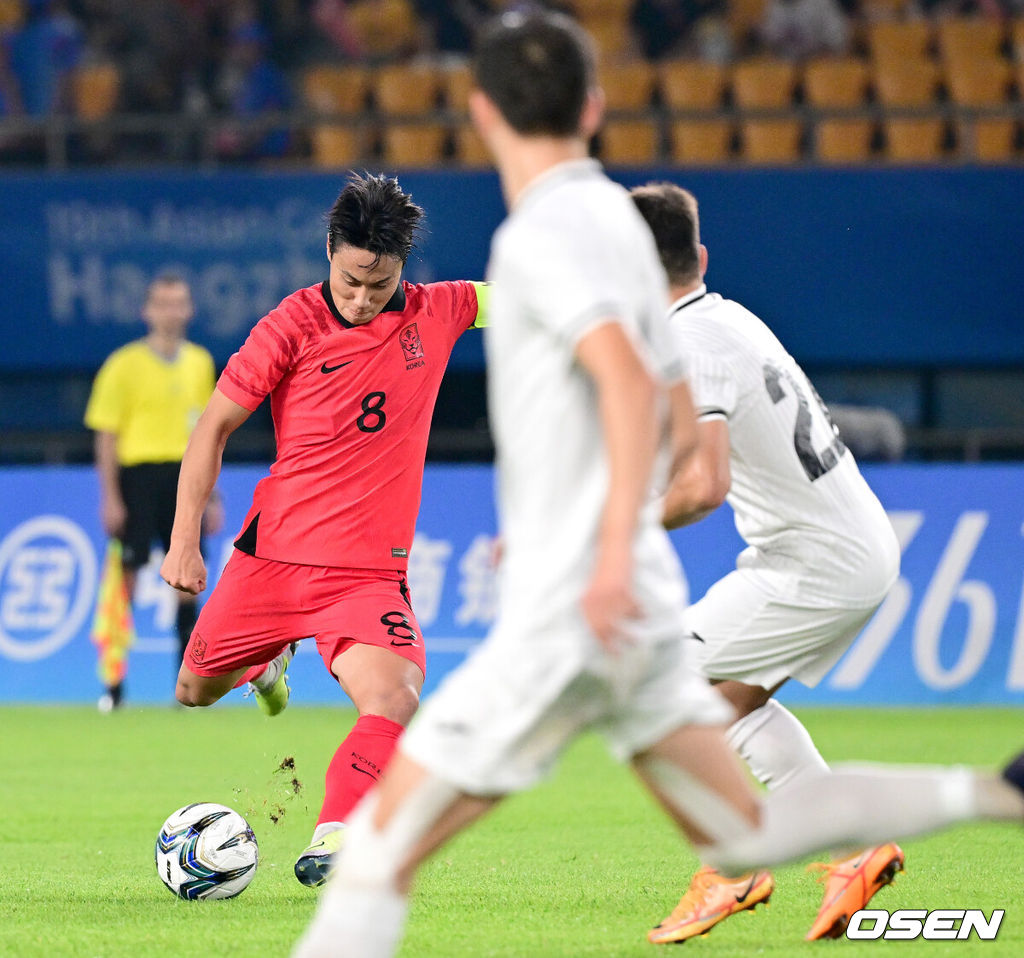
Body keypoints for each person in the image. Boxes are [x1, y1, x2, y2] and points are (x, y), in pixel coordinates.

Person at [293, 11, 1024, 957]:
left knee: (380, 853)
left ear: (479, 112)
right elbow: (664, 394)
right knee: (741, 814)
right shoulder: (612, 218)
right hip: (639, 602)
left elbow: (645, 393)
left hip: (577, 611)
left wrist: (596, 545)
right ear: (593, 106)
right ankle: (992, 793)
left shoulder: (548, 234)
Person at [159, 172, 488, 888]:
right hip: (272, 558)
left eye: (380, 284)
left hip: (366, 573)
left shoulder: (443, 310)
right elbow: (212, 427)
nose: (364, 297)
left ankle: (335, 836)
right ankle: (269, 661)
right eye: (350, 281)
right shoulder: (290, 325)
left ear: (404, 267)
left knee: (396, 697)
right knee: (192, 688)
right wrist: (186, 540)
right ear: (329, 248)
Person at [629, 181, 906, 941]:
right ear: (701, 257)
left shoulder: (688, 344)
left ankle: (732, 865)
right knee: (727, 709)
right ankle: (854, 849)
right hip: (845, 546)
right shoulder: (727, 317)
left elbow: (704, 485)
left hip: (813, 561)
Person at [84, 272, 219, 711]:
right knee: (126, 577)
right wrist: (110, 495)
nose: (170, 311)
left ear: (189, 309)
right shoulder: (122, 364)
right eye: (162, 303)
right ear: (147, 310)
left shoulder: (200, 362)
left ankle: (186, 687)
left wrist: (210, 496)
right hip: (137, 477)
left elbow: (209, 433)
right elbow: (106, 434)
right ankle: (114, 684)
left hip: (184, 477)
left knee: (186, 578)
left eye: (178, 302)